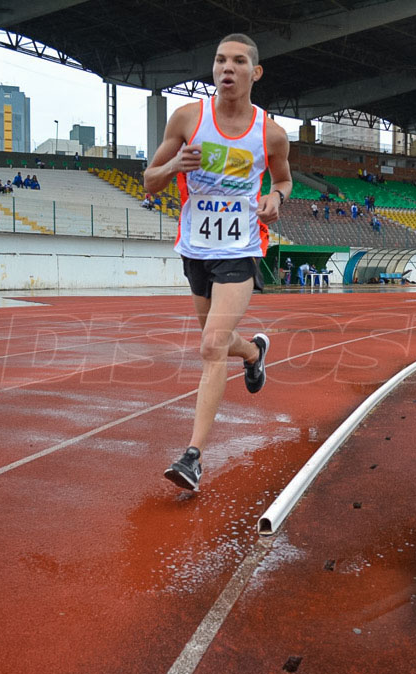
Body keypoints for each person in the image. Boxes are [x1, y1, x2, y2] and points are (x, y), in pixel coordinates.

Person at [143, 33, 292, 492]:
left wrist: (275, 198)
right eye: (220, 60)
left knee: (209, 347)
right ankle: (253, 352)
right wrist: (173, 169)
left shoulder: (270, 133)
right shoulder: (188, 118)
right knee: (220, 341)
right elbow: (149, 181)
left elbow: (284, 182)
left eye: (239, 61)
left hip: (241, 248)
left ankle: (193, 457)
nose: (227, 68)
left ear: (255, 72)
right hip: (196, 250)